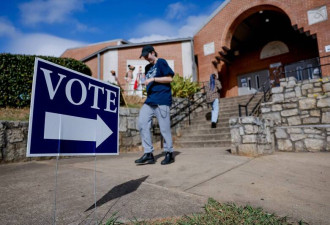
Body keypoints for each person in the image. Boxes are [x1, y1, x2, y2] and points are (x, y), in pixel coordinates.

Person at [135, 45, 175, 165]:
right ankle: (148, 154)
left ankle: (169, 153)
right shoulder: (147, 67)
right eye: (144, 56)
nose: (146, 58)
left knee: (164, 128)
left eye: (147, 55)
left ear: (153, 53)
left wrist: (153, 79)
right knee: (142, 123)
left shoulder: (161, 62)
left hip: (162, 99)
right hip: (150, 100)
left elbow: (169, 79)